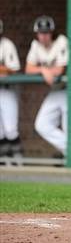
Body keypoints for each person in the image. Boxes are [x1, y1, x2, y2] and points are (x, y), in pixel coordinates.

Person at [25, 16, 68, 156]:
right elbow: (28, 69)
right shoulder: (35, 44)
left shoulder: (61, 41)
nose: (43, 36)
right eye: (40, 33)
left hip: (70, 90)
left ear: (52, 32)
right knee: (42, 124)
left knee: (69, 128)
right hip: (56, 91)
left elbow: (61, 69)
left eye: (46, 32)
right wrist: (43, 70)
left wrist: (46, 69)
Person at [0, 19, 22, 159]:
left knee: (11, 130)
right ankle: (4, 161)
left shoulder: (6, 45)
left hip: (7, 89)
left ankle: (18, 160)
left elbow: (14, 69)